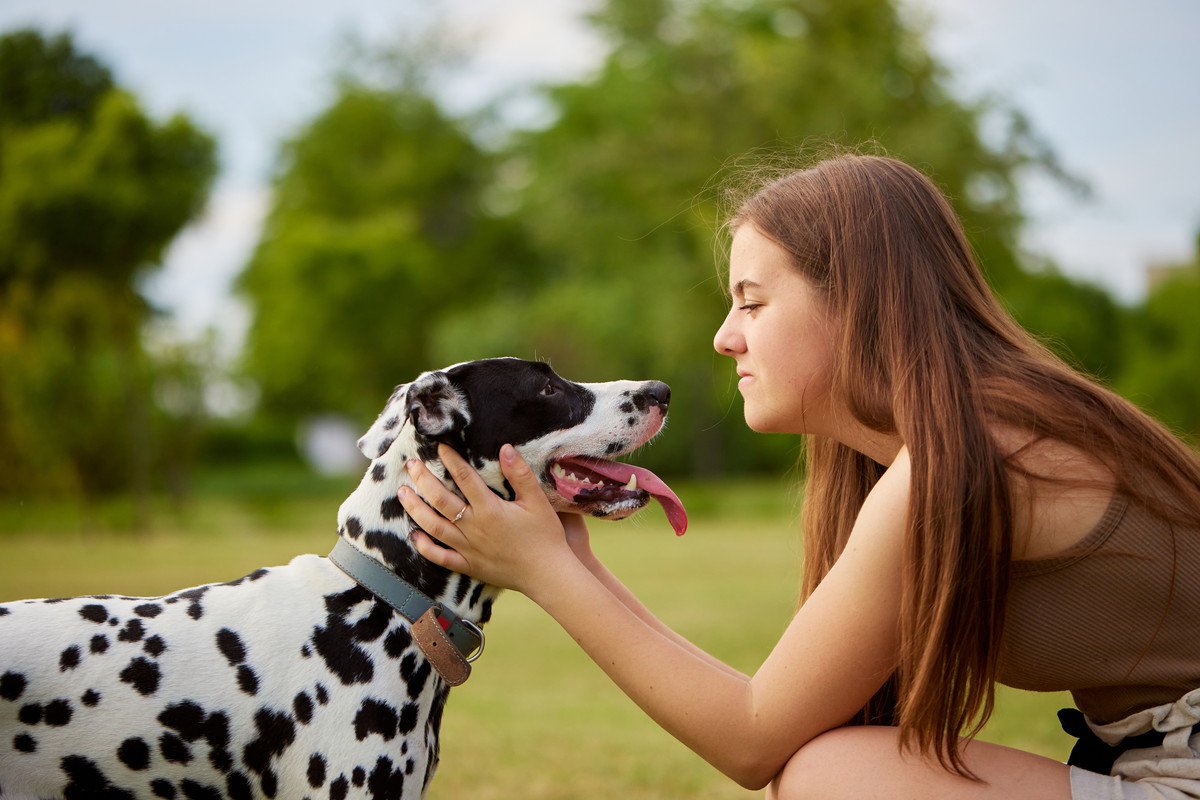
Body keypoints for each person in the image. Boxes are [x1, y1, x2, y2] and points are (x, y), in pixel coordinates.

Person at [396, 154, 1200, 799]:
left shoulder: (973, 460)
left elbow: (752, 738)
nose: (723, 338)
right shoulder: (963, 437)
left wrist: (543, 571)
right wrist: (572, 564)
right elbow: (774, 709)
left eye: (751, 303)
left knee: (830, 778)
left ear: (854, 302)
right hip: (1146, 768)